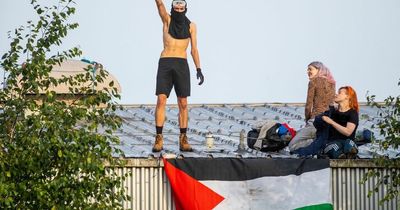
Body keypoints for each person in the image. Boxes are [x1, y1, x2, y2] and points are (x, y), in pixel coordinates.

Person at [152, 0, 204, 152]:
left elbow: (194, 49)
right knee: (161, 99)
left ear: (185, 9)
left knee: (183, 102)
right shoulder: (167, 20)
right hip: (166, 62)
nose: (179, 11)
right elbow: (160, 6)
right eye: (177, 8)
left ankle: (183, 139)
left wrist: (198, 68)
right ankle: (159, 138)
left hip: (182, 63)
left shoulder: (191, 26)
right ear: (173, 8)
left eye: (182, 8)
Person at [293, 86, 359, 159]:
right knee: (334, 147)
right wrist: (329, 112)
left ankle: (349, 154)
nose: (336, 94)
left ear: (348, 96)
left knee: (349, 144)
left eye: (339, 93)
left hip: (347, 143)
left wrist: (331, 122)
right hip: (333, 143)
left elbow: (348, 132)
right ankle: (340, 156)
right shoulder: (331, 112)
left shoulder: (353, 113)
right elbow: (317, 123)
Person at [288, 61, 336, 152]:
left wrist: (308, 119)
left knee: (292, 145)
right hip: (329, 122)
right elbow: (332, 104)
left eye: (310, 69)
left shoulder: (313, 82)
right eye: (307, 69)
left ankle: (315, 142)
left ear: (319, 70)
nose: (307, 71)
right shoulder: (331, 83)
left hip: (315, 120)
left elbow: (308, 105)